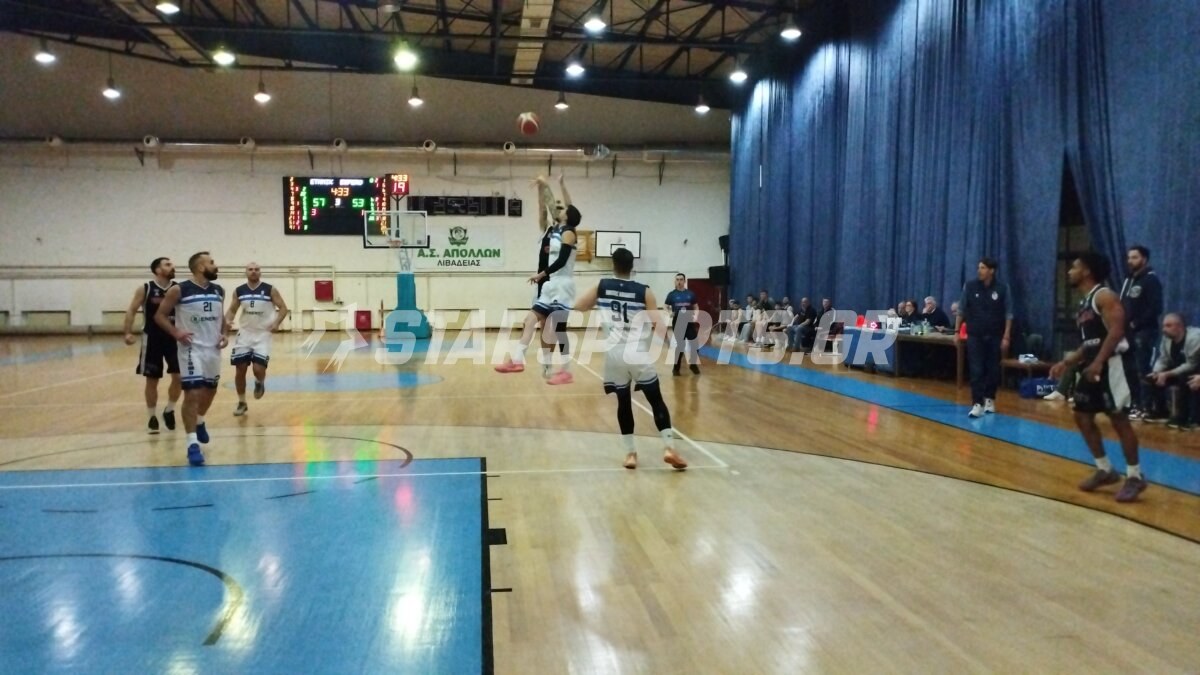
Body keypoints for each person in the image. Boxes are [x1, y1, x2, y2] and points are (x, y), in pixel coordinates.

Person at [572, 248, 687, 470]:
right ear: (632, 266)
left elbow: (579, 306)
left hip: (614, 355)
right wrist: (671, 346)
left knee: (623, 403)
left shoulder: (602, 286)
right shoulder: (644, 291)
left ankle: (630, 454)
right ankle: (669, 448)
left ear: (613, 265)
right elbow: (657, 325)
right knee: (656, 400)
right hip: (637, 353)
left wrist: (600, 302)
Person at [1050, 252, 1147, 502]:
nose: (1069, 271)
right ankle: (1105, 470)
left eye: (1074, 267)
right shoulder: (1085, 302)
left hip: (1113, 364)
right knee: (1082, 415)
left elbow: (1117, 331)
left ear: (1087, 271)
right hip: (1094, 364)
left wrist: (1099, 362)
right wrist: (1067, 362)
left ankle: (1135, 476)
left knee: (1119, 419)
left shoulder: (1105, 296)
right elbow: (1090, 342)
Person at [496, 174, 580, 385]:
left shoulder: (569, 232)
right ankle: (517, 360)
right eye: (558, 209)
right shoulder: (553, 229)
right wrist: (547, 185)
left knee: (557, 329)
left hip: (561, 283)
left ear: (567, 216)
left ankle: (563, 369)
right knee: (530, 320)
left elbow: (568, 208)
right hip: (549, 284)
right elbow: (547, 207)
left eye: (562, 209)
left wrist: (556, 185)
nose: (558, 210)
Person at [155, 251, 226, 467]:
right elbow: (159, 315)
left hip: (213, 349)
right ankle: (192, 444)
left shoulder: (218, 290)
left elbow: (221, 317)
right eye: (211, 263)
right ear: (200, 267)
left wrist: (224, 333)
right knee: (192, 393)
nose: (216, 265)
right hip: (190, 349)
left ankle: (200, 420)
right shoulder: (179, 290)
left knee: (210, 390)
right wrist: (176, 332)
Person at [123, 257, 181, 434]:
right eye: (167, 264)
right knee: (152, 379)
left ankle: (169, 410)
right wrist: (127, 332)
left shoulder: (178, 288)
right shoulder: (146, 288)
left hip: (174, 338)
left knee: (179, 377)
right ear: (157, 270)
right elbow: (132, 310)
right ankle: (152, 417)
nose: (172, 267)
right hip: (152, 338)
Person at [224, 262, 290, 417]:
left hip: (263, 334)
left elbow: (283, 308)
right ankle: (242, 402)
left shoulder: (270, 289)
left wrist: (276, 323)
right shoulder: (239, 290)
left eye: (256, 269)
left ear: (260, 272)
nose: (253, 271)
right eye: (250, 269)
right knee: (240, 368)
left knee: (258, 369)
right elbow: (232, 310)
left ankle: (259, 382)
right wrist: (226, 324)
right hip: (245, 334)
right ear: (246, 272)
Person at [958, 257, 1013, 418]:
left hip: (995, 334)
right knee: (976, 369)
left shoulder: (1002, 288)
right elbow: (961, 309)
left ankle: (990, 399)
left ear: (991, 270)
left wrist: (1006, 336)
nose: (979, 271)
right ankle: (977, 402)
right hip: (975, 334)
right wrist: (956, 331)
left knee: (993, 369)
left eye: (983, 268)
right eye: (979, 267)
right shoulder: (970, 286)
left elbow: (1009, 313)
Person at [1119, 246, 1163, 419]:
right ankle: (1135, 404)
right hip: (1127, 333)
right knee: (1130, 370)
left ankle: (1147, 407)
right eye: (1129, 257)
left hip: (1145, 332)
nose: (1130, 261)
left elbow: (1156, 308)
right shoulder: (1129, 280)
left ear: (1144, 259)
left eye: (1135, 257)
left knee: (1142, 369)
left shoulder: (1151, 280)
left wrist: (1136, 323)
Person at [1142, 313, 1200, 429]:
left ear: (1179, 326)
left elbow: (1191, 364)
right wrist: (1157, 372)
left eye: (1168, 326)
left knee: (1187, 380)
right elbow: (1163, 359)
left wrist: (1167, 374)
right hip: (1180, 368)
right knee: (1151, 378)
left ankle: (1190, 418)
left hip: (1194, 369)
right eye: (1163, 326)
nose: (1164, 329)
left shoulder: (1195, 339)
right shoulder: (1167, 339)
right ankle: (1160, 411)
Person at [664, 272, 701, 376]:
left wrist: (696, 316)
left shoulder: (690, 294)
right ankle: (676, 369)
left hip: (689, 321)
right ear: (675, 281)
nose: (679, 281)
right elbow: (665, 306)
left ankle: (693, 364)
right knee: (681, 345)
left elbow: (696, 307)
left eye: (681, 279)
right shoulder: (671, 294)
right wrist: (669, 313)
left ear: (684, 281)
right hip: (678, 321)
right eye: (677, 279)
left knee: (695, 344)